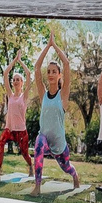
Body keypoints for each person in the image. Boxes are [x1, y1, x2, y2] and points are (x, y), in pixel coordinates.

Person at [33, 57, 78, 188]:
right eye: (48, 72)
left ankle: (75, 175)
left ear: (59, 75)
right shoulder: (43, 95)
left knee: (67, 167)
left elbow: (66, 64)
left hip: (59, 144)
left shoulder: (63, 95)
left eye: (54, 71)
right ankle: (37, 186)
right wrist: (48, 46)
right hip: (45, 139)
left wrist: (54, 45)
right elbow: (37, 68)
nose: (51, 74)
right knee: (39, 142)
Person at [0, 68, 34, 181]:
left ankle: (31, 166)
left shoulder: (24, 96)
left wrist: (20, 61)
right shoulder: (10, 95)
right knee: (0, 144)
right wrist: (15, 59)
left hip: (21, 130)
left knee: (24, 153)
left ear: (22, 82)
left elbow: (29, 74)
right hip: (9, 129)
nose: (15, 81)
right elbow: (5, 74)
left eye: (18, 80)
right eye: (14, 80)